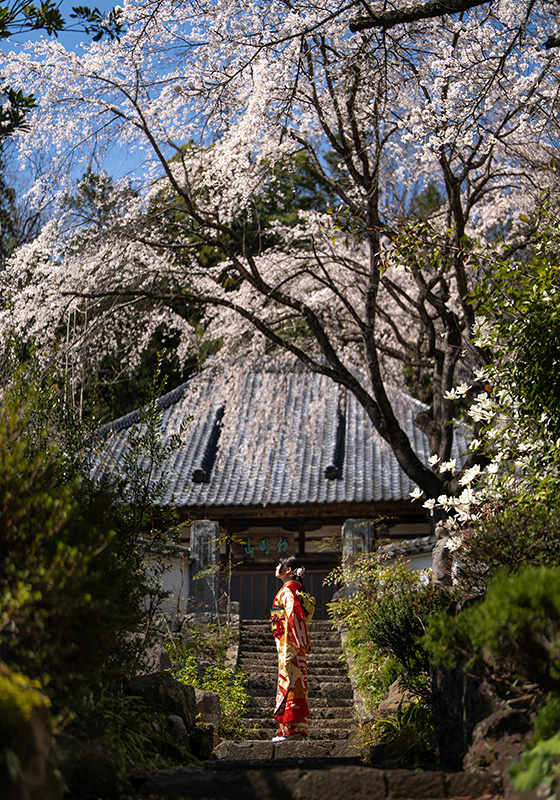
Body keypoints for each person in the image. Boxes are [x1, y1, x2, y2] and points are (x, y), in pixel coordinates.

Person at [269, 555, 315, 742]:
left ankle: (291, 729)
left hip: (290, 642)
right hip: (289, 641)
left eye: (280, 565)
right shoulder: (291, 590)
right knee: (294, 681)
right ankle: (291, 728)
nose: (277, 567)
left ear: (288, 570)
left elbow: (294, 615)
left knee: (290, 681)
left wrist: (300, 639)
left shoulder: (288, 591)